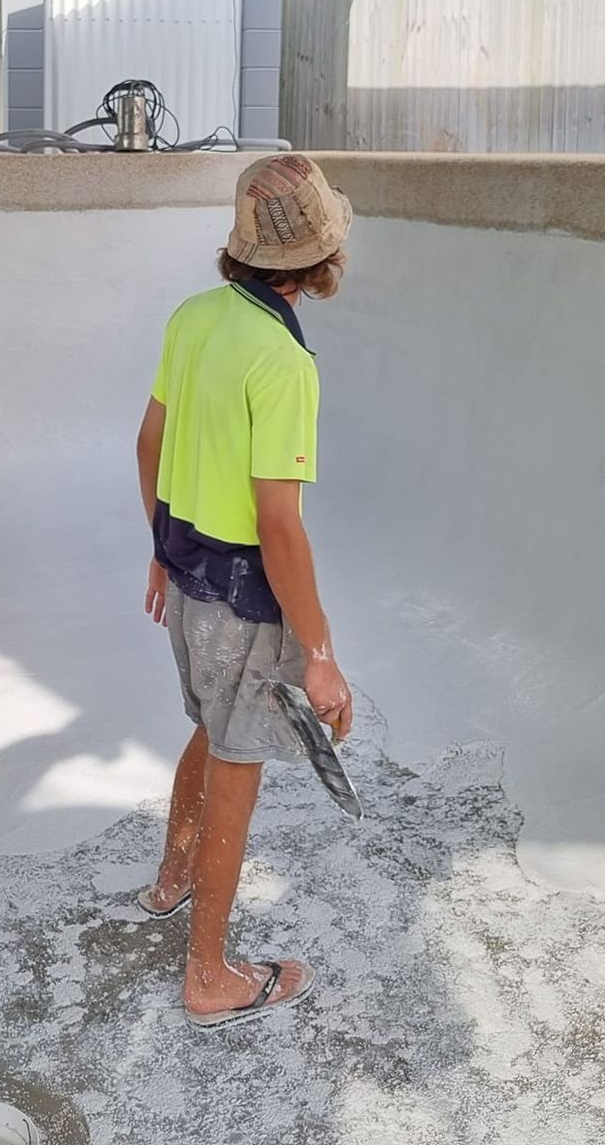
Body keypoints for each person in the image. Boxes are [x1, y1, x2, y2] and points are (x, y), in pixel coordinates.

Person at [134, 152, 356, 1029]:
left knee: (209, 723)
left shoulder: (195, 316)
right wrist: (322, 655)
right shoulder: (283, 362)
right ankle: (210, 976)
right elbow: (279, 526)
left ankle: (171, 877)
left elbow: (148, 443)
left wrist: (159, 549)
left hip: (186, 579)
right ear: (322, 261)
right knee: (239, 763)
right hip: (239, 595)